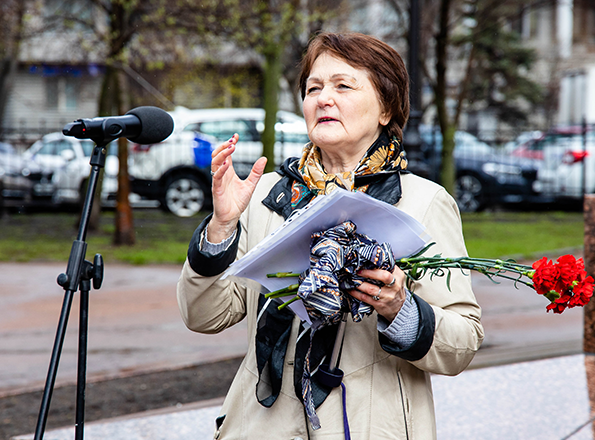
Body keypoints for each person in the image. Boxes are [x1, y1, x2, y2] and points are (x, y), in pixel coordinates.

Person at [177, 32, 484, 439]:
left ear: (386, 108)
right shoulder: (265, 194)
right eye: (313, 88)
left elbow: (461, 342)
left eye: (343, 86)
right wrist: (222, 226)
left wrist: (399, 308)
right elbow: (204, 316)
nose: (323, 98)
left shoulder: (424, 202)